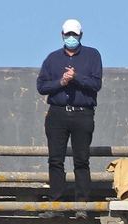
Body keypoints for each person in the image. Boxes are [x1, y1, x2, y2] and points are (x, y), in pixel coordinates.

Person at [37, 19, 102, 207]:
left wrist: (76, 78)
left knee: (81, 160)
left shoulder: (92, 55)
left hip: (82, 113)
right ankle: (55, 203)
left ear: (81, 35)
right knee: (55, 160)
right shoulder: (52, 58)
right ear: (62, 35)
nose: (71, 38)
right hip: (57, 113)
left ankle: (82, 204)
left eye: (74, 34)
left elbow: (96, 84)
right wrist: (61, 82)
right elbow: (42, 86)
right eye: (68, 34)